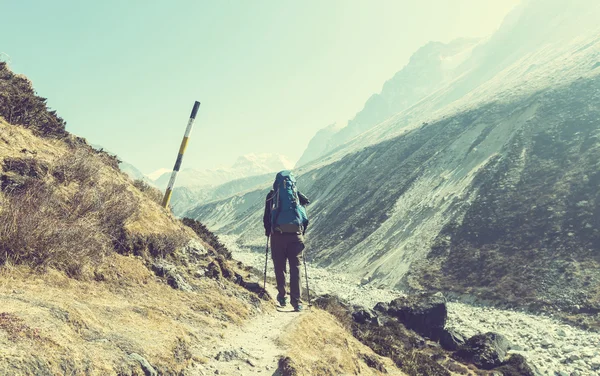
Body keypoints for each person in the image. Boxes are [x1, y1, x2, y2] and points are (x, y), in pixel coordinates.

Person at [263, 170, 310, 312]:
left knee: (280, 267)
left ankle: (282, 297)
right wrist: (302, 233)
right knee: (296, 268)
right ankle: (297, 302)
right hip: (296, 236)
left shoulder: (272, 195)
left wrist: (268, 232)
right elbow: (304, 214)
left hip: (278, 236)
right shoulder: (296, 195)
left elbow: (266, 217)